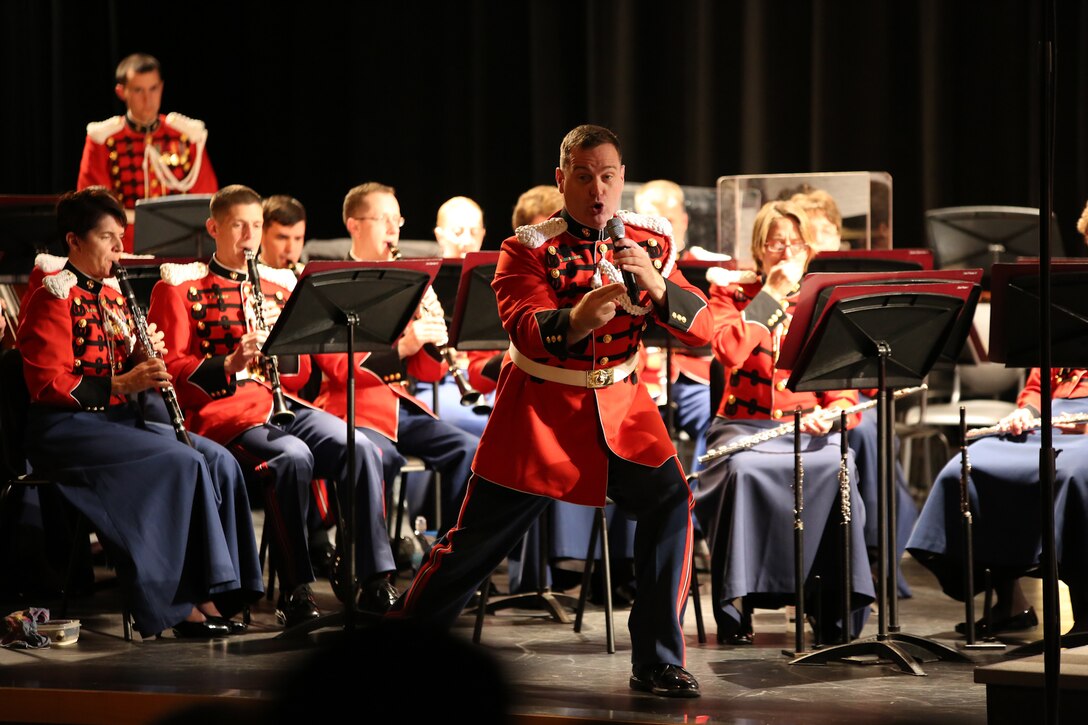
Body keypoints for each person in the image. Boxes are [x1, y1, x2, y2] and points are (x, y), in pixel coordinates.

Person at [391, 124, 712, 698]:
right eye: (584, 177)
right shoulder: (526, 246)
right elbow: (526, 328)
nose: (598, 190)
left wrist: (658, 286)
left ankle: (658, 660)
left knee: (671, 503)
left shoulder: (649, 242)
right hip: (541, 414)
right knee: (472, 545)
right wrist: (582, 317)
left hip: (622, 410)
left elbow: (704, 327)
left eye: (609, 177)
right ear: (561, 179)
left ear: (621, 179)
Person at [147, 185, 398, 626]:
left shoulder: (281, 285)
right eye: (239, 225)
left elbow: (301, 374)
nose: (250, 235)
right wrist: (229, 361)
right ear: (214, 228)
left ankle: (373, 579)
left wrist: (275, 351)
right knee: (293, 457)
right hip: (223, 412)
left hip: (282, 404)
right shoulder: (180, 286)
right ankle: (296, 590)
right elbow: (171, 368)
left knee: (361, 447)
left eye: (257, 225)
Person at [16, 187, 260, 638]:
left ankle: (221, 591)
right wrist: (124, 382)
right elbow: (48, 383)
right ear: (73, 241)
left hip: (113, 421)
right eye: (108, 238)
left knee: (218, 459)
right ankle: (179, 605)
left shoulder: (111, 295)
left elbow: (119, 365)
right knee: (181, 461)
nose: (118, 248)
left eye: (119, 237)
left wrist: (142, 359)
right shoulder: (52, 295)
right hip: (65, 428)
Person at [693, 200, 875, 645]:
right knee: (741, 471)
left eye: (794, 243)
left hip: (807, 427)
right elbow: (730, 353)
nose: (786, 251)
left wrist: (836, 411)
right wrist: (769, 295)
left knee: (839, 469)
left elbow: (842, 385)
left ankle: (830, 612)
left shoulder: (822, 298)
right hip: (742, 427)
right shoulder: (730, 294)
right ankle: (739, 607)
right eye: (776, 242)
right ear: (759, 248)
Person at [312, 183, 478, 538]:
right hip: (352, 408)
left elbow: (428, 373)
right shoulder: (330, 282)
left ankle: (446, 559)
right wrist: (404, 346)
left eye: (397, 219)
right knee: (382, 457)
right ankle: (375, 566)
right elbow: (338, 369)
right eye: (383, 219)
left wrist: (433, 341)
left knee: (468, 450)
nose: (393, 229)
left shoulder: (409, 279)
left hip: (399, 405)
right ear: (353, 224)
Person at [907, 368, 1088, 635]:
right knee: (969, 466)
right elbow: (1038, 387)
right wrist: (1028, 411)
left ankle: (1085, 612)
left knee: (1071, 472)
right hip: (1053, 416)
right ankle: (1010, 602)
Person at [77, 53, 218, 251]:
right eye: (138, 90)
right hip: (124, 245)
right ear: (121, 91)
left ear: (161, 87)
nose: (147, 99)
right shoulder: (104, 139)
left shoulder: (186, 135)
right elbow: (92, 205)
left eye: (153, 89)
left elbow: (207, 197)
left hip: (181, 243)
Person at [260, 195, 306, 273]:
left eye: (298, 238)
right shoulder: (248, 278)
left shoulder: (305, 275)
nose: (290, 249)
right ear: (261, 234)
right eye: (282, 238)